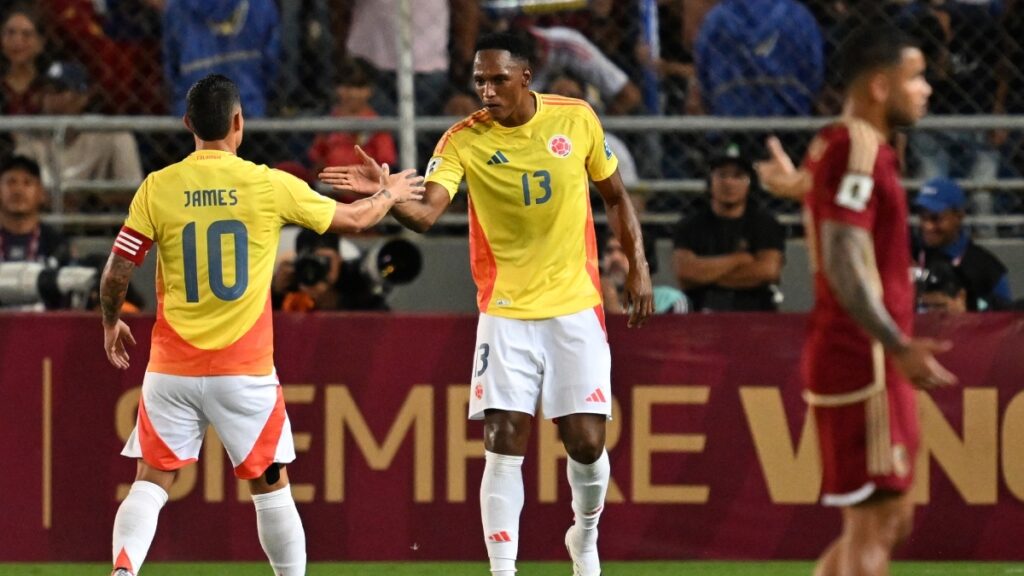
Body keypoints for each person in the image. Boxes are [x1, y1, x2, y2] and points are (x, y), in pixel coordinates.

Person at [320, 32, 653, 576]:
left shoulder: (576, 118)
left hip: (574, 305)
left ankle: (585, 535)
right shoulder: (462, 140)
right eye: (480, 81)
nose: (488, 90)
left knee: (586, 443)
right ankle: (503, 569)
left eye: (499, 79)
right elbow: (427, 214)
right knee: (503, 439)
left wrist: (638, 264)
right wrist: (385, 196)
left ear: (526, 77)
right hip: (505, 311)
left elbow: (615, 196)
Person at [99, 74, 424, 576]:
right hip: (244, 372)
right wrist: (390, 190)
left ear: (188, 124)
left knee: (151, 481)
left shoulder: (157, 187)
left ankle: (123, 570)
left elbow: (118, 270)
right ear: (238, 122)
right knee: (271, 491)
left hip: (172, 368)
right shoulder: (269, 185)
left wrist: (110, 321)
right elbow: (358, 220)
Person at [756, 26, 957, 576]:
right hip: (863, 356)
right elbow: (844, 257)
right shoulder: (858, 148)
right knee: (876, 522)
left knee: (889, 520)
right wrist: (897, 345)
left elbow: (834, 204)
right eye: (915, 77)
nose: (926, 89)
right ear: (879, 85)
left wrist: (797, 186)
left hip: (864, 356)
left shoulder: (840, 146)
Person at [672, 144, 785, 312]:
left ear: (750, 182)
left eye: (738, 176)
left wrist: (705, 276)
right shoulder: (690, 224)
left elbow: (768, 272)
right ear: (710, 180)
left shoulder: (766, 223)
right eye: (722, 175)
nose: (729, 182)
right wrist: (738, 259)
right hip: (701, 310)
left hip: (755, 310)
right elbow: (685, 273)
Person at [15, 59, 144, 194]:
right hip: (43, 207)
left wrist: (90, 197)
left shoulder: (112, 134)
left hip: (96, 206)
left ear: (83, 98)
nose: (50, 99)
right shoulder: (30, 134)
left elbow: (133, 192)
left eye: (59, 90)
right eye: (46, 91)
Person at [912, 177, 1012, 311]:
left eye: (936, 218)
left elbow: (1007, 317)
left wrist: (968, 311)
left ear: (959, 216)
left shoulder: (986, 268)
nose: (927, 226)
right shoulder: (909, 254)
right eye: (922, 217)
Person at [308, 58, 397, 175]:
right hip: (331, 181)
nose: (353, 93)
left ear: (370, 90)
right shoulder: (328, 122)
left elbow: (384, 167)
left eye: (359, 87)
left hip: (366, 183)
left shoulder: (378, 126)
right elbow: (317, 162)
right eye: (347, 86)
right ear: (336, 88)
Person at [0, 155, 68, 267]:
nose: (18, 190)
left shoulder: (57, 244)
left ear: (41, 193)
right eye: (11, 182)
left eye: (27, 183)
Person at [602, 230, 687, 315]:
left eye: (625, 251)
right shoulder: (594, 304)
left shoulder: (670, 301)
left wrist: (615, 310)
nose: (615, 258)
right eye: (609, 251)